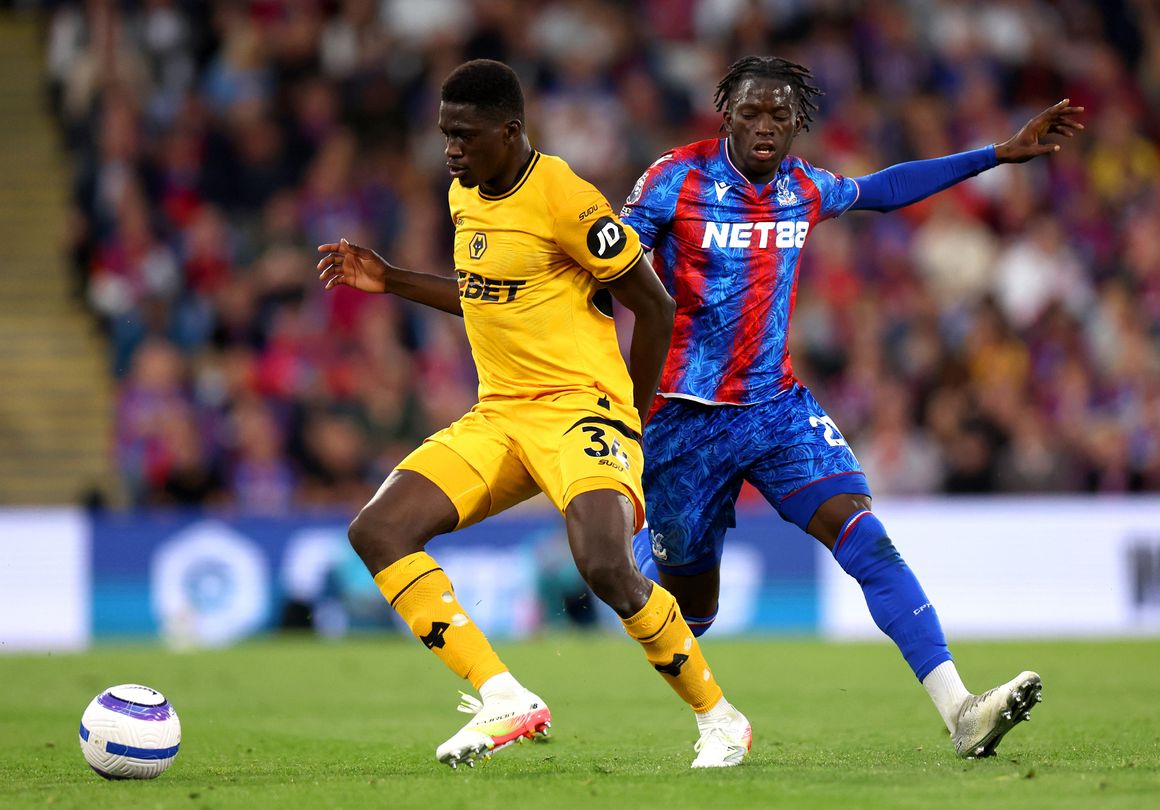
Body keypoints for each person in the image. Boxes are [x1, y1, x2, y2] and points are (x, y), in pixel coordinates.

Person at [620, 55, 1084, 758]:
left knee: (867, 537)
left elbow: (885, 189)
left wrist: (999, 153)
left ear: (800, 122)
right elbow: (612, 269)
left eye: (780, 114)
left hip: (774, 410)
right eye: (750, 112)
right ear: (726, 116)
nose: (765, 126)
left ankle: (961, 710)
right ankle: (630, 569)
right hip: (683, 420)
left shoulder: (805, 186)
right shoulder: (672, 180)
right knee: (692, 612)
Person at [316, 59, 751, 769]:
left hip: (583, 409)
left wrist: (631, 416)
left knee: (606, 565)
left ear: (510, 131)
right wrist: (391, 278)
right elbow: (486, 291)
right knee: (378, 531)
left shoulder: (564, 196)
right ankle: (502, 695)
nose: (450, 149)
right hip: (500, 416)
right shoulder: (466, 195)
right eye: (444, 134)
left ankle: (719, 717)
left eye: (464, 135)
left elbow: (654, 304)